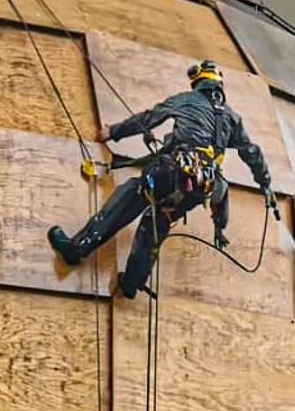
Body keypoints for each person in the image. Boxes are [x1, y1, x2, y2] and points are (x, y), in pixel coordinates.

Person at [48, 61, 273, 298]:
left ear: (198, 83)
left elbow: (148, 118)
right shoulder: (231, 118)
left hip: (171, 170)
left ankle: (75, 249)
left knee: (130, 195)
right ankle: (131, 283)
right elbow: (252, 152)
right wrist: (264, 184)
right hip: (200, 187)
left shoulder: (186, 100)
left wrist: (112, 132)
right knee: (158, 220)